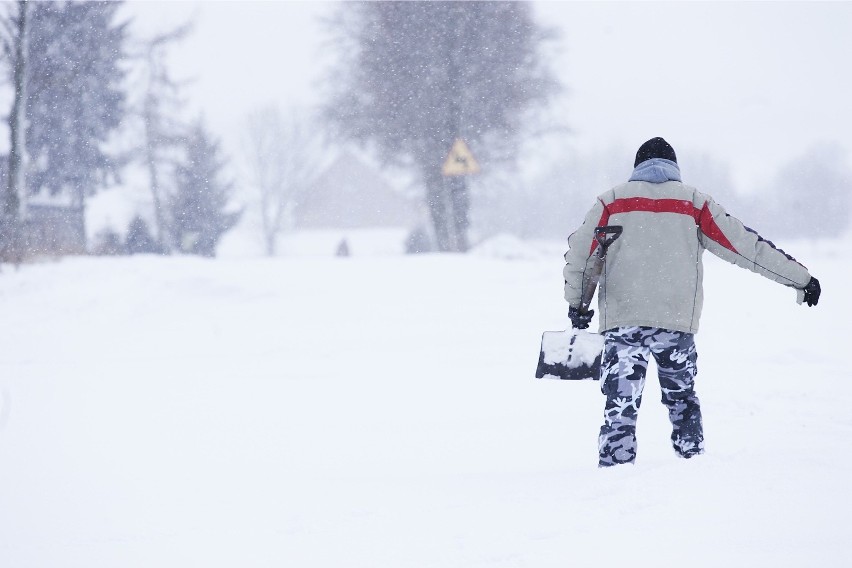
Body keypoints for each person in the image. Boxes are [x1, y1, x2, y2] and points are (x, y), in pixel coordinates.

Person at [562, 137, 821, 467]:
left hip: (623, 322)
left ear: (637, 167)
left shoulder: (612, 202)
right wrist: (800, 279)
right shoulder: (694, 203)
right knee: (681, 398)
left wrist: (578, 303)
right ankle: (691, 464)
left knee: (621, 403)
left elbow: (584, 258)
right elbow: (746, 247)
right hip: (675, 323)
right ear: (674, 168)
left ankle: (615, 468)